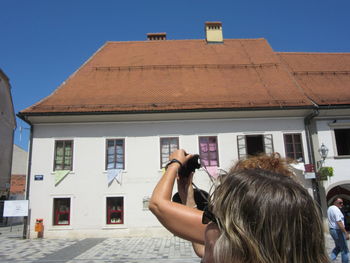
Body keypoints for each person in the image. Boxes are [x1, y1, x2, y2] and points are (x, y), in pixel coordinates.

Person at [149, 149, 329, 263]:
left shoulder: (242, 221)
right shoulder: (284, 224)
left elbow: (158, 205)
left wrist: (174, 164)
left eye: (213, 216)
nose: (212, 222)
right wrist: (186, 192)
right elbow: (204, 250)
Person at [328, 198, 349, 262]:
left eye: (342, 203)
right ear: (334, 202)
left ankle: (329, 260)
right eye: (340, 203)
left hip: (332, 230)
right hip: (338, 231)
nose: (342, 204)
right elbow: (339, 222)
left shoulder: (330, 208)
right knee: (345, 250)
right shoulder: (336, 209)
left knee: (338, 247)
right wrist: (346, 233)